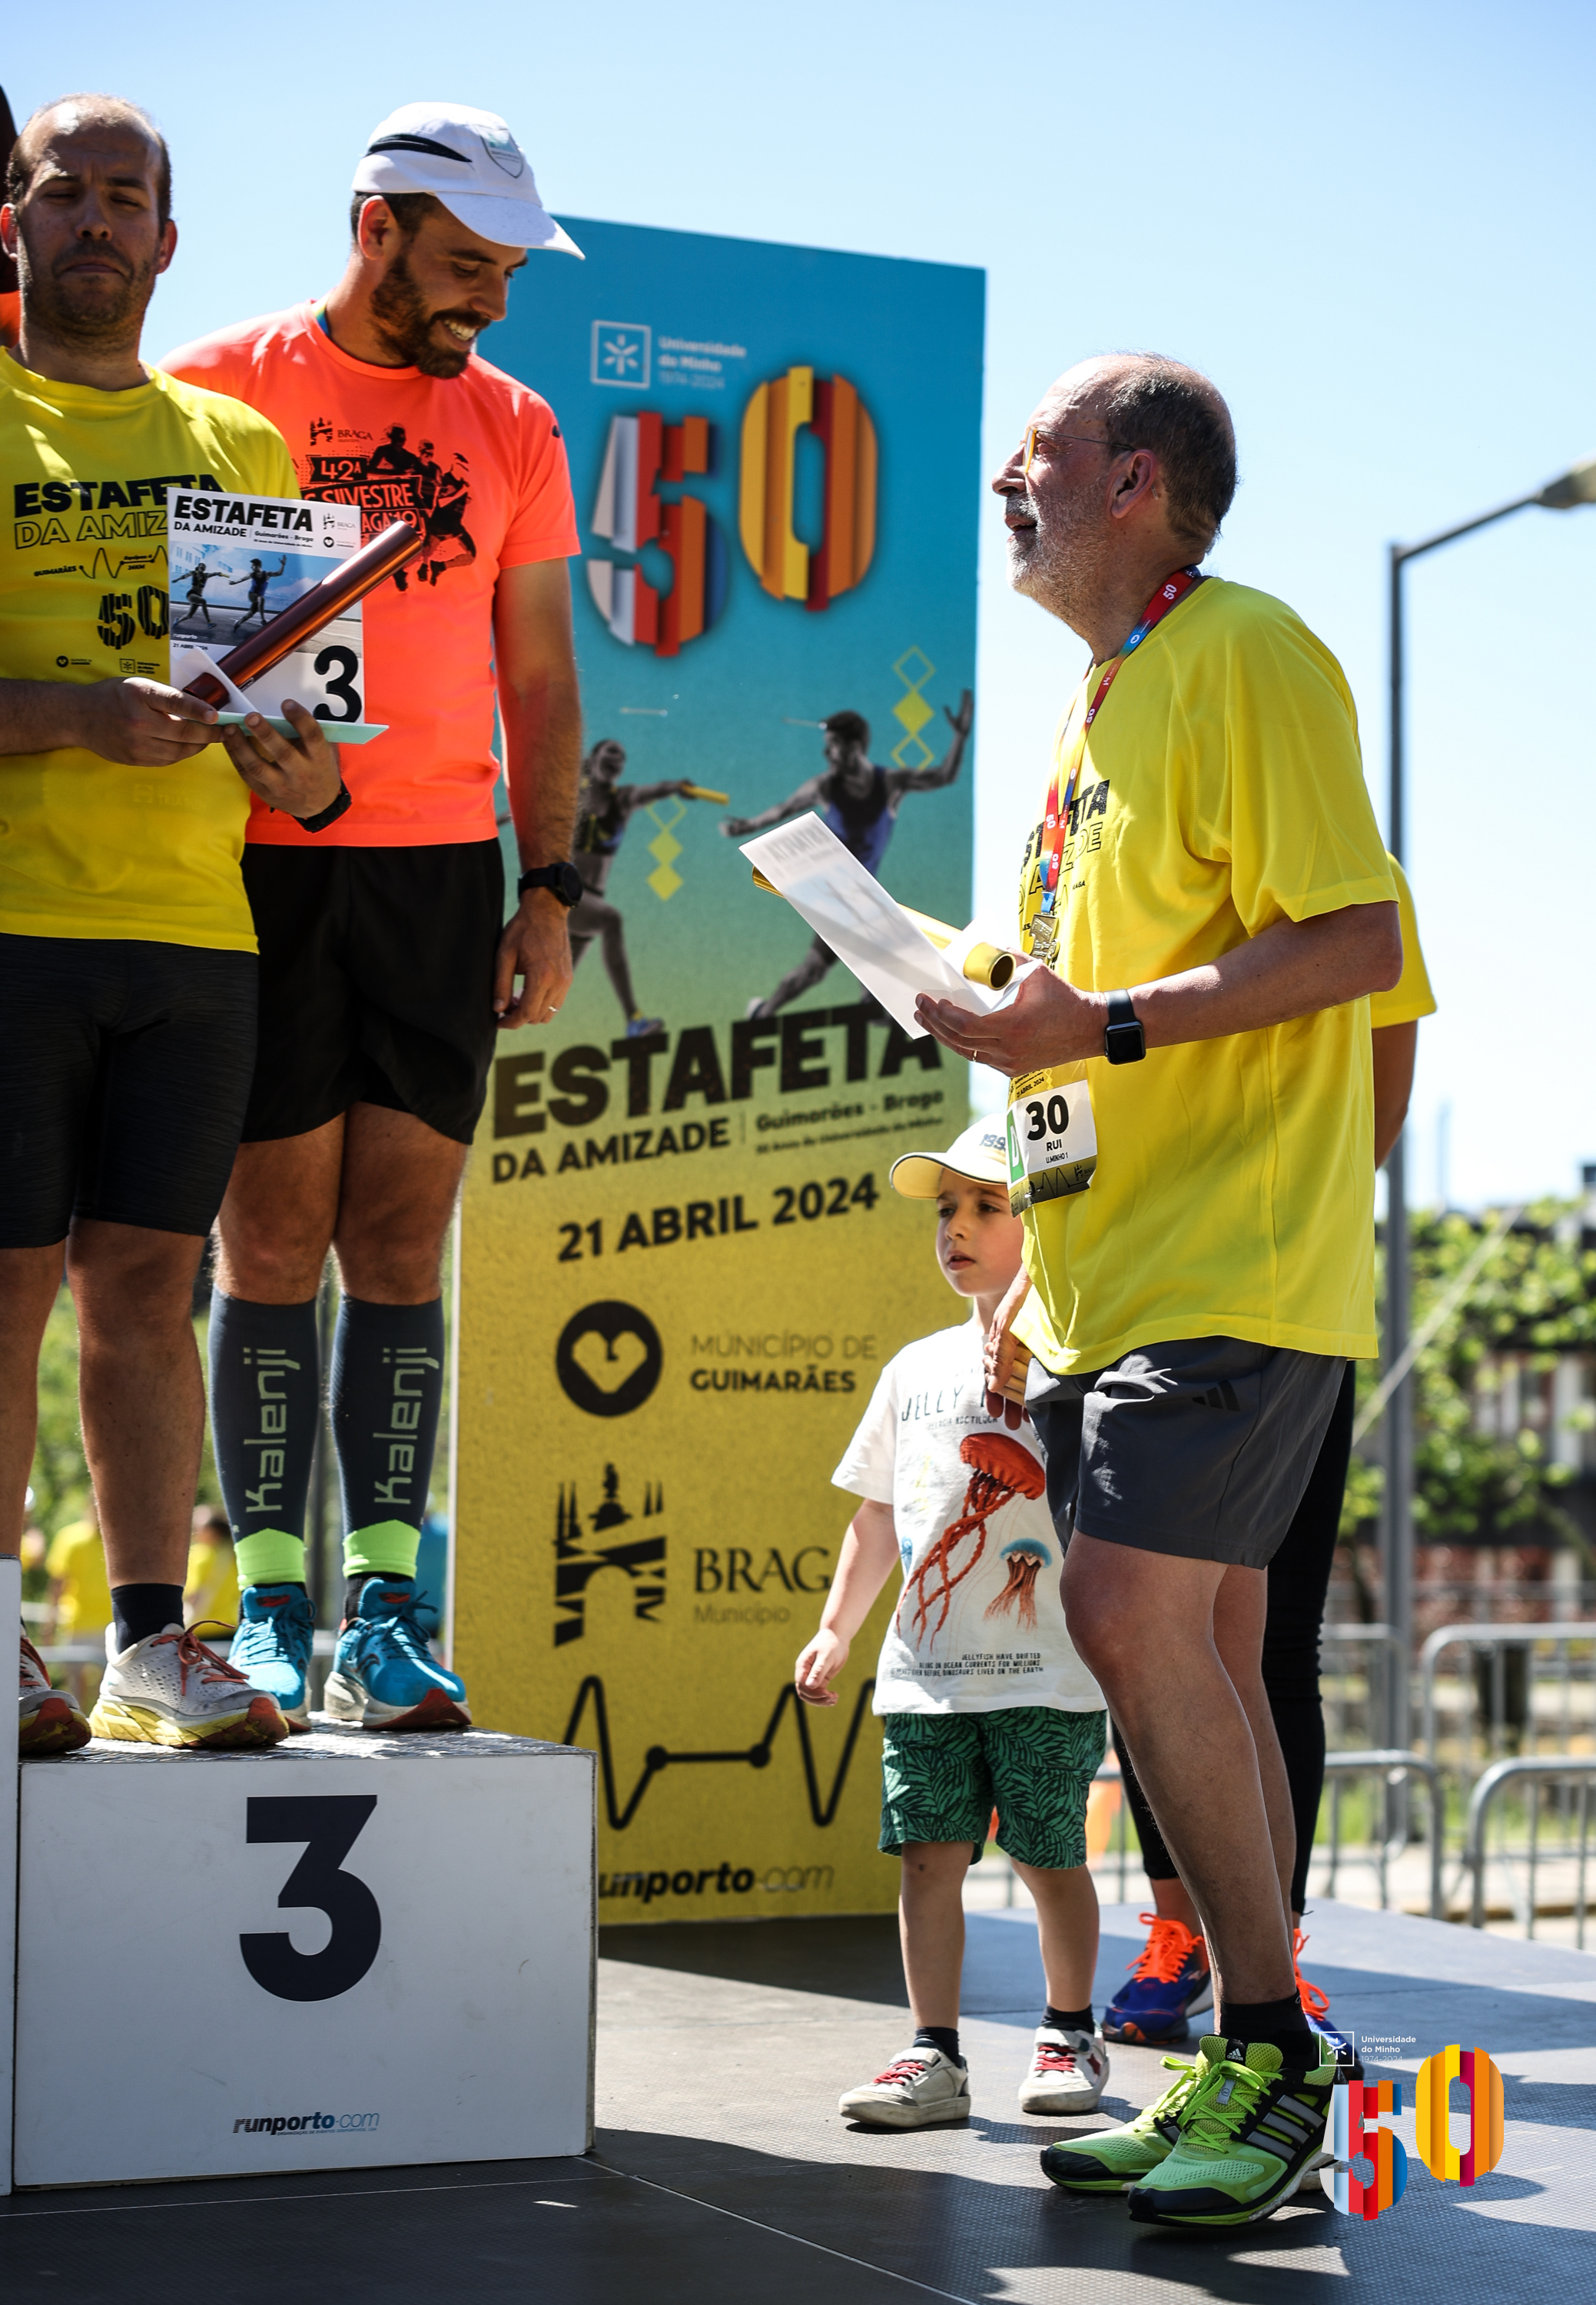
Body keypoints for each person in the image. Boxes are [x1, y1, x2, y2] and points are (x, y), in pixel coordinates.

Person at [916, 355, 1401, 2228]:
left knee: (1126, 1616)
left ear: (1131, 483)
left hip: (1237, 1255)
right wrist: (984, 1001)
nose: (1000, 492)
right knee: (1176, 1644)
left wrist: (1095, 1017)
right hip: (1110, 1270)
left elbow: (1356, 938)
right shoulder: (1090, 706)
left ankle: (1272, 2049)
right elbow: (1077, 1014)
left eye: (1027, 464)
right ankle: (1238, 2040)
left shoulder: (1251, 651)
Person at [161, 101, 583, 1733]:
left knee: (399, 1240)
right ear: (375, 228)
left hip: (433, 869)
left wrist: (549, 884)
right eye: (466, 262)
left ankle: (386, 1612)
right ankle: (273, 1610)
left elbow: (541, 678)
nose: (490, 297)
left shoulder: (519, 426)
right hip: (251, 857)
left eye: (510, 269)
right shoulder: (220, 383)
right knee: (265, 1241)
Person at [2, 95, 343, 1758]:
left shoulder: (240, 449)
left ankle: (147, 1645)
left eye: (123, 197)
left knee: (147, 1287)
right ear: (15, 216)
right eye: (62, 191)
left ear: (166, 238)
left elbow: (289, 710)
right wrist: (71, 717)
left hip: (196, 938)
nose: (92, 220)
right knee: (4, 1287)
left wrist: (299, 755)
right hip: (15, 925)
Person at [1103, 857, 1436, 2063]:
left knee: (1261, 1637)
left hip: (1280, 1301)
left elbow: (1383, 1087)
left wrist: (1304, 1240)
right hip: (1138, 1282)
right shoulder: (1142, 858)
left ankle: (1267, 1957)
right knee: (1150, 1629)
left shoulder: (1355, 880)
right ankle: (1183, 1930)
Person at [795, 1119, 1110, 2131]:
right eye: (946, 1212)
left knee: (1049, 1855)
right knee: (926, 1856)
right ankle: (932, 2051)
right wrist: (838, 1627)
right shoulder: (912, 1367)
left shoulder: (1083, 1353)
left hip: (1047, 1675)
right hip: (925, 1676)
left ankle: (1069, 2030)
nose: (958, 1229)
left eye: (988, 1206)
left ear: (1043, 1224)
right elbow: (876, 1514)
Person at [722, 695, 972, 1017]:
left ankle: (766, 1011)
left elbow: (944, 776)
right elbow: (784, 808)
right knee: (855, 952)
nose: (826, 752)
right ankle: (868, 998)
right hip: (835, 896)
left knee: (815, 969)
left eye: (834, 744)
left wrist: (960, 737)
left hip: (864, 897)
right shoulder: (826, 786)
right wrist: (748, 825)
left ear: (855, 747)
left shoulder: (890, 783)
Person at [570, 738, 700, 1035]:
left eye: (621, 757)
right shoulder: (573, 794)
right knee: (611, 919)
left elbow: (653, 790)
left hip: (588, 908)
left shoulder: (624, 799)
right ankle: (633, 1018)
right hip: (564, 896)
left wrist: (677, 787)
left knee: (548, 995)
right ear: (593, 759)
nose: (616, 758)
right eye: (609, 753)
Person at [228, 552, 287, 633]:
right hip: (252, 595)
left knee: (250, 614)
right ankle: (263, 620)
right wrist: (234, 582)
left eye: (253, 565)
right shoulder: (252, 574)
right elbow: (242, 579)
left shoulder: (267, 574)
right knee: (261, 598)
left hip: (259, 599)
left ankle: (238, 623)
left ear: (258, 566)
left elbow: (279, 573)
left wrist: (283, 565)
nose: (251, 567)